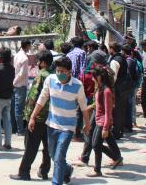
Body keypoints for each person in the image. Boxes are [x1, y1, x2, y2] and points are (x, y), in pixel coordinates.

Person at [28, 56, 90, 185]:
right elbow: (41, 99)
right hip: (52, 124)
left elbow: (84, 107)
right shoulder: (50, 80)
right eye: (57, 71)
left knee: (59, 155)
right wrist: (33, 117)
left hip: (68, 127)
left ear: (69, 72)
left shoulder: (77, 85)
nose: (59, 74)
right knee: (53, 154)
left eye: (62, 71)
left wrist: (87, 124)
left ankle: (57, 182)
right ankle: (67, 169)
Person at [10, 52, 53, 181]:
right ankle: (44, 171)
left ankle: (24, 172)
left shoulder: (41, 76)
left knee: (30, 146)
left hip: (38, 117)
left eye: (39, 61)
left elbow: (34, 96)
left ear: (43, 62)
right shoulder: (53, 76)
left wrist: (29, 116)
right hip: (48, 117)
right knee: (47, 147)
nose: (37, 64)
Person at [86, 66, 123, 178]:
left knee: (96, 145)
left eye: (93, 76)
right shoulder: (99, 88)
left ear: (99, 77)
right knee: (101, 143)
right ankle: (117, 158)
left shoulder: (106, 91)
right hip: (99, 120)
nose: (92, 79)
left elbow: (108, 111)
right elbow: (98, 106)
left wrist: (106, 128)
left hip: (103, 122)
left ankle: (98, 169)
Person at [108, 42, 131, 138]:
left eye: (110, 48)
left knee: (116, 111)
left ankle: (116, 132)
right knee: (121, 110)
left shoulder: (115, 61)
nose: (109, 50)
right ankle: (119, 130)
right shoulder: (122, 58)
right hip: (124, 88)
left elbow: (113, 77)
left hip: (118, 89)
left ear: (112, 48)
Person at [67, 37, 87, 139]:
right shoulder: (82, 53)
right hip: (78, 83)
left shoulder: (69, 54)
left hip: (68, 82)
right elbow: (83, 70)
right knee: (79, 108)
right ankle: (77, 133)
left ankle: (69, 131)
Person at [12, 39, 32, 136]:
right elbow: (22, 74)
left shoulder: (17, 55)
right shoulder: (24, 58)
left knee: (15, 107)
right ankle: (20, 130)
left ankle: (15, 128)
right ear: (27, 46)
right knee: (19, 109)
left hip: (17, 84)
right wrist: (15, 82)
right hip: (20, 85)